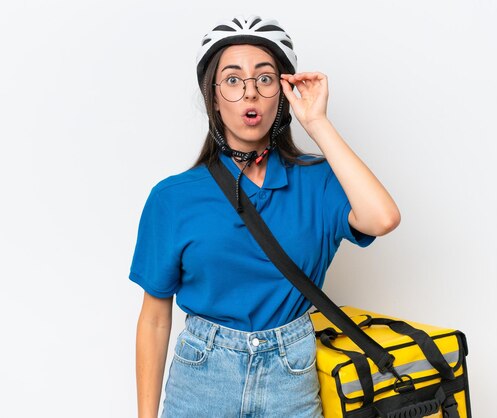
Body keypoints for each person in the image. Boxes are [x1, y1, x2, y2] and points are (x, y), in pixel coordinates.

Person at [129, 15, 400, 418]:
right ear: (214, 97)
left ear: (284, 92)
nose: (250, 94)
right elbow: (154, 318)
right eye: (233, 80)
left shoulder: (318, 181)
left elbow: (382, 219)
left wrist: (317, 122)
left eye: (266, 79)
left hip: (291, 376)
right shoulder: (173, 198)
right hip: (201, 378)